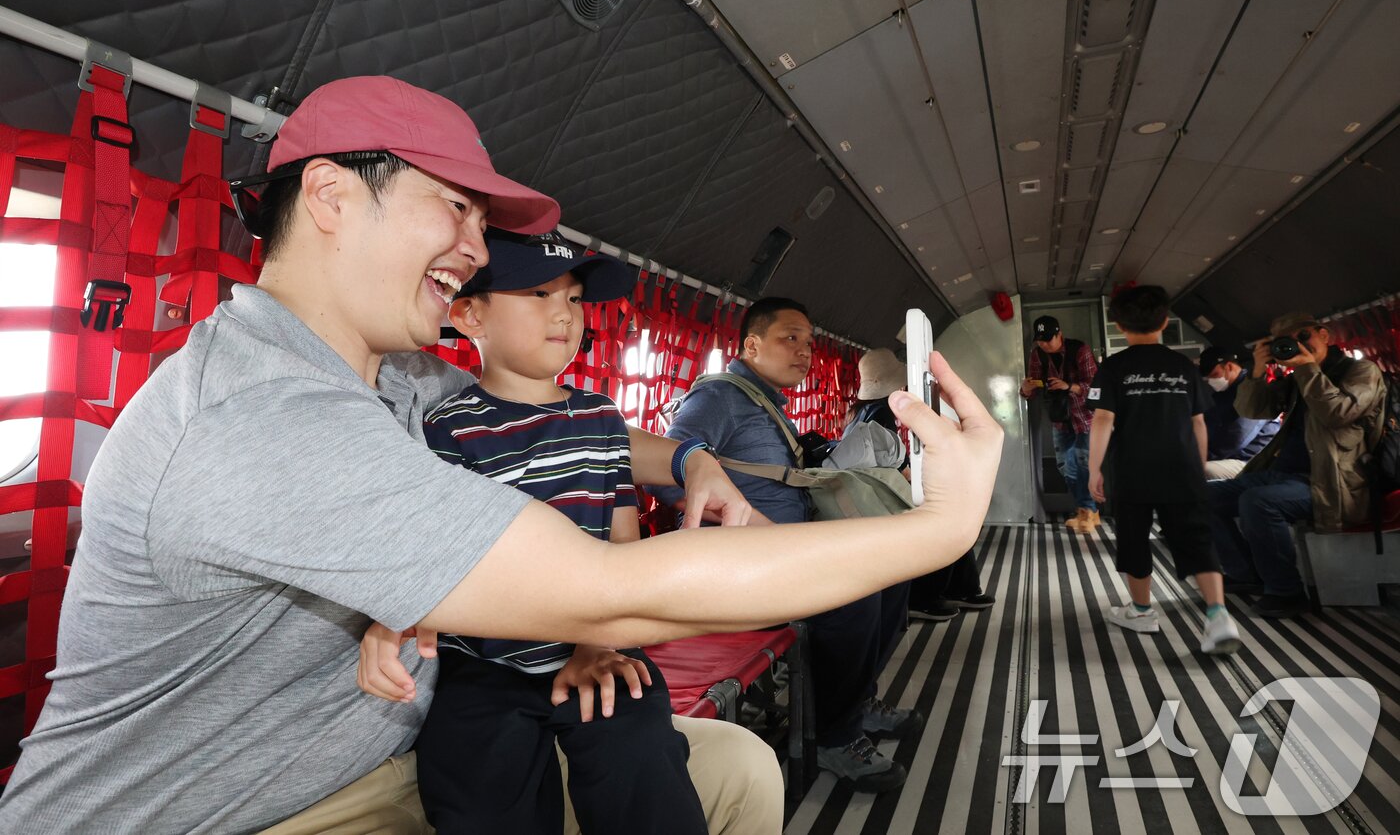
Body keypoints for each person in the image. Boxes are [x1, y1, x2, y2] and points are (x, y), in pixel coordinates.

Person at [0, 75, 1003, 833]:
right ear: (332, 198)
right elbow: (601, 589)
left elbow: (583, 432)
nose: (477, 249)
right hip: (226, 814)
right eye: (456, 208)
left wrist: (690, 464)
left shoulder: (390, 374)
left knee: (734, 769)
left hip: (370, 748)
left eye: (482, 223)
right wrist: (934, 525)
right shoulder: (258, 413)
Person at [403, 228, 706, 834]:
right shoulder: (448, 430)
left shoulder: (600, 417)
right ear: (468, 315)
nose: (563, 314)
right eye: (538, 294)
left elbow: (624, 543)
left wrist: (601, 640)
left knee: (643, 764)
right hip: (487, 660)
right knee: (476, 790)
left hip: (599, 641)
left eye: (571, 299)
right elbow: (456, 564)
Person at [654, 304, 922, 794]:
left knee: (891, 574)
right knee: (853, 599)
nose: (804, 352)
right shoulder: (719, 396)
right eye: (790, 339)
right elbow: (667, 468)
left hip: (783, 554)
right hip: (737, 565)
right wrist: (733, 518)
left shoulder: (765, 400)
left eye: (809, 343)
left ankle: (855, 703)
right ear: (751, 346)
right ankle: (835, 738)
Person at [1086, 286, 1241, 656]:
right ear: (1165, 322)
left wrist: (1095, 469)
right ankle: (1218, 615)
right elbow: (1198, 423)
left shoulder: (1113, 367)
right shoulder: (1182, 366)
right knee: (1196, 538)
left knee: (1134, 539)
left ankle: (1141, 611)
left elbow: (1103, 419)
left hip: (1133, 469)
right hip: (1182, 468)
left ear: (1119, 325)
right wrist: (1198, 467)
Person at [1206, 313, 1386, 618]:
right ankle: (1246, 573)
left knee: (1258, 502)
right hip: (1283, 475)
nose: (1299, 346)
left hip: (1333, 481)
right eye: (1289, 342)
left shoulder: (1361, 371)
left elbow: (1337, 412)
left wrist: (1306, 369)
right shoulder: (1295, 378)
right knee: (1202, 497)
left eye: (1305, 337)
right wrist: (1258, 373)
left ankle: (1286, 592)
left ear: (1325, 335)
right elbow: (1252, 409)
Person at [852, 348, 994, 622]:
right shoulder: (880, 415)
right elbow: (892, 466)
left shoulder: (865, 412)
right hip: (884, 494)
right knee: (946, 520)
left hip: (880, 490)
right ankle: (927, 595)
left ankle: (958, 589)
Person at [1020, 315, 1100, 533]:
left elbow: (1094, 385)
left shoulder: (1080, 350)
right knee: (1066, 466)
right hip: (1060, 419)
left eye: (1048, 339)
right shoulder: (1037, 355)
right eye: (1040, 340)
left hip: (1085, 417)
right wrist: (1026, 390)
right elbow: (1033, 385)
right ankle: (1088, 509)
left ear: (1059, 334)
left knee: (1084, 464)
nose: (1044, 344)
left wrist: (1069, 386)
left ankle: (1088, 511)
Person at [1198, 346, 1279, 480]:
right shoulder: (1222, 394)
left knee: (1197, 469)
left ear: (1229, 366)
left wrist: (1201, 455)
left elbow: (1236, 438)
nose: (1211, 381)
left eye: (1214, 375)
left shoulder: (1253, 390)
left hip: (1251, 461)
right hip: (1227, 456)